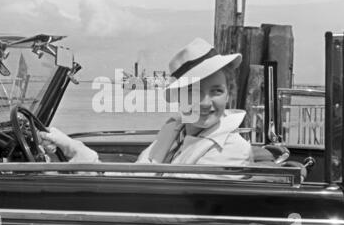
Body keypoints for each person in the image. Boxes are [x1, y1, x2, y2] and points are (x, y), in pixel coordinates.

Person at [39, 38, 253, 169]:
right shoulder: (175, 130)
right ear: (178, 97)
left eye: (217, 91)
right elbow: (140, 173)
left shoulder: (232, 149)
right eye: (194, 92)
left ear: (228, 94)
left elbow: (171, 203)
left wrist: (78, 155)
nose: (206, 102)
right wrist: (70, 147)